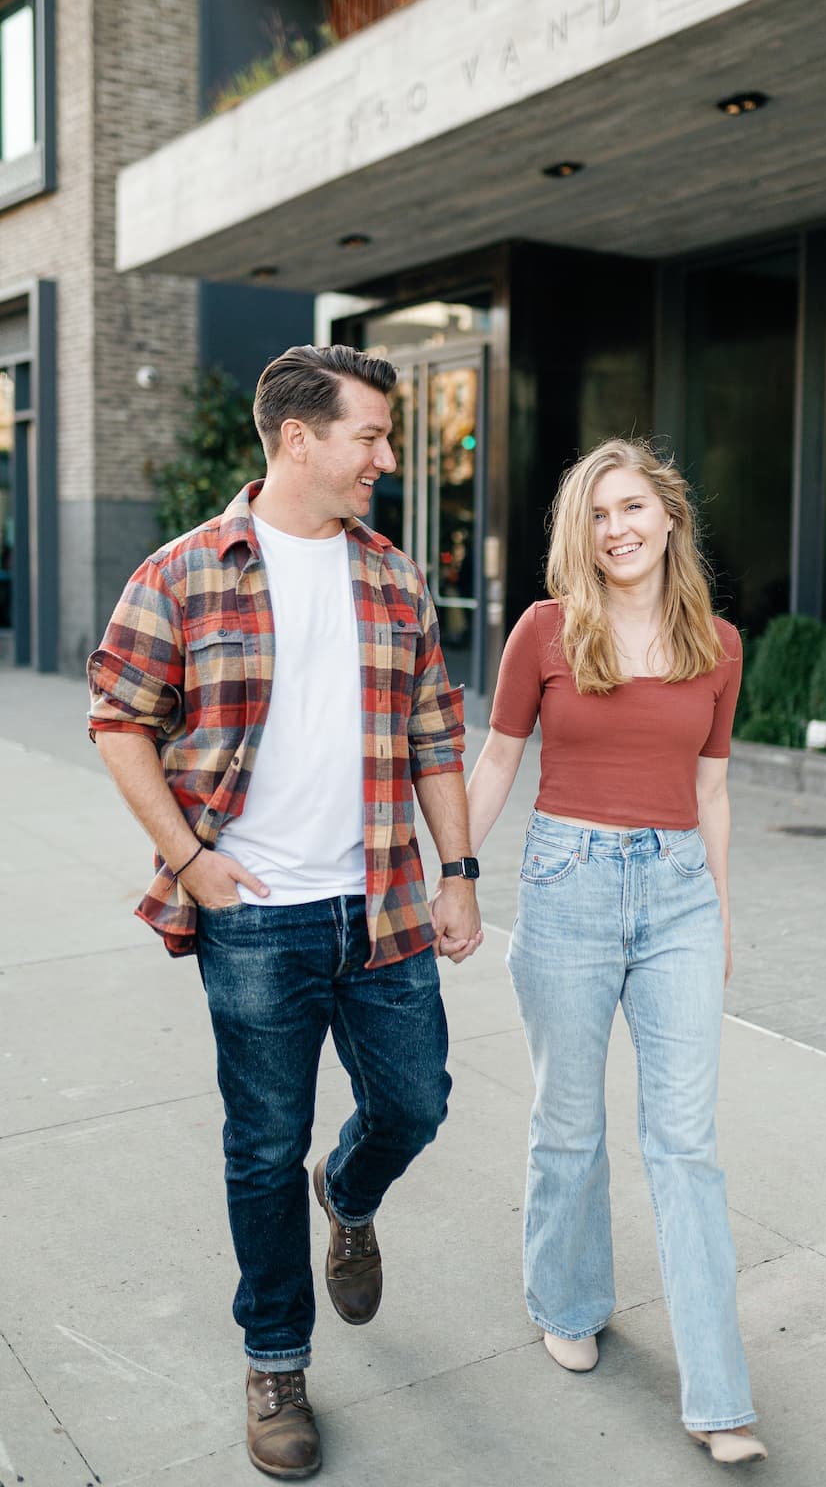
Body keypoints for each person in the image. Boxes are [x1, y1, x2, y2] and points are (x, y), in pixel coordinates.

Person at [87, 343, 483, 1480]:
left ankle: (349, 1196)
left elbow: (434, 734)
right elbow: (119, 717)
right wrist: (189, 860)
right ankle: (275, 1361)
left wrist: (457, 871)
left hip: (384, 905)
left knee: (415, 1103)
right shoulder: (183, 571)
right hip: (256, 916)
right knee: (263, 1147)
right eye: (369, 435)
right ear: (297, 439)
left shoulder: (395, 578)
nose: (386, 458)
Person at [465, 439, 766, 1466]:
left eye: (632, 507)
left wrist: (721, 913)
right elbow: (499, 755)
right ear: (578, 534)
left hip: (679, 892)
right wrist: (455, 875)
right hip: (565, 888)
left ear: (669, 518)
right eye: (597, 514)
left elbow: (714, 788)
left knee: (684, 1143)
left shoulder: (718, 643)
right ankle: (567, 1298)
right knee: (569, 1122)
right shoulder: (546, 631)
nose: (617, 528)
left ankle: (719, 1397)